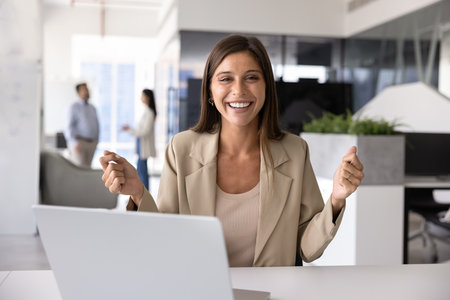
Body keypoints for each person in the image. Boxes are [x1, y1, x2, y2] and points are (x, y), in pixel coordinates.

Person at [100, 35, 364, 267]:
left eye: (251, 77)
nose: (239, 90)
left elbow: (307, 248)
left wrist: (337, 200)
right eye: (226, 79)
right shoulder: (181, 150)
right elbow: (165, 241)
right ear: (210, 92)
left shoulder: (295, 151)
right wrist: (137, 192)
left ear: (266, 88)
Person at [122, 89, 157, 191]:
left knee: (142, 172)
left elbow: (144, 132)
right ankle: (142, 194)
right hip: (141, 145)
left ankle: (144, 194)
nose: (141, 98)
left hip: (143, 146)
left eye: (142, 95)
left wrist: (130, 130)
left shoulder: (149, 113)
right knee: (141, 171)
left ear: (147, 97)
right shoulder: (146, 111)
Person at [65, 82, 99, 167]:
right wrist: (74, 142)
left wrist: (96, 141)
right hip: (79, 143)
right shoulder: (74, 107)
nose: (87, 92)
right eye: (85, 89)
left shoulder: (92, 107)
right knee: (79, 169)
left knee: (88, 168)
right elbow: (68, 127)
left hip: (92, 143)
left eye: (87, 89)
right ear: (78, 93)